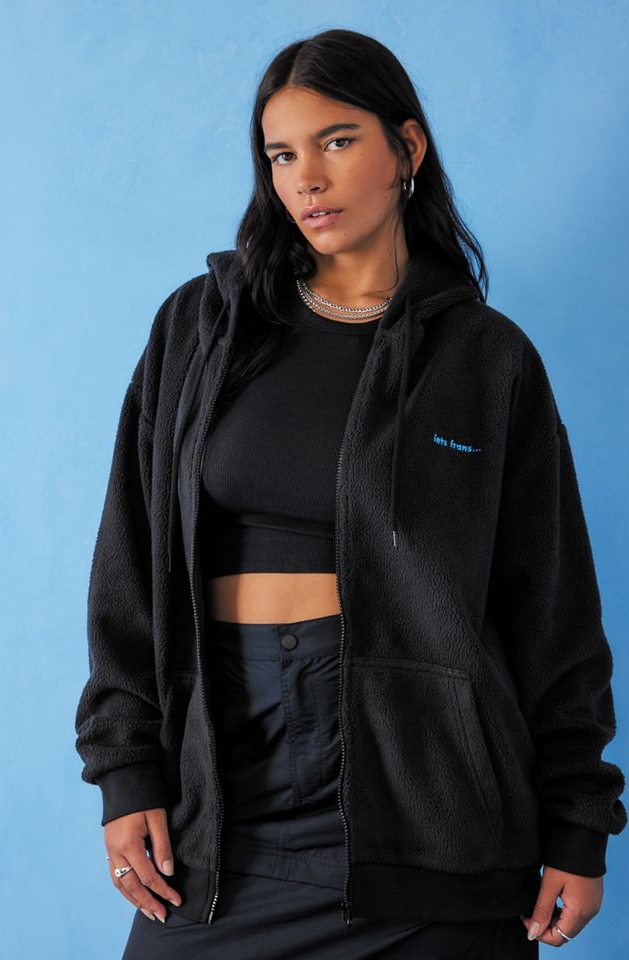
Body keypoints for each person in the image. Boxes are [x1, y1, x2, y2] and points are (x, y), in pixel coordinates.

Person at [74, 28, 626, 958]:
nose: (307, 179)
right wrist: (125, 767)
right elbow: (128, 561)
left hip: (431, 817)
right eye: (282, 155)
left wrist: (579, 821)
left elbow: (551, 609)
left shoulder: (487, 361)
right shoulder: (202, 330)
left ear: (407, 148)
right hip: (228, 792)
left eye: (336, 141)